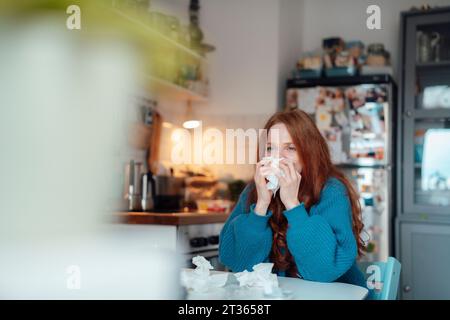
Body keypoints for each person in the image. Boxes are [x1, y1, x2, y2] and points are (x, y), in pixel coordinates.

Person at [219, 109, 366, 287]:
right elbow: (240, 265)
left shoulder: (332, 191)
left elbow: (324, 270)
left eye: (290, 148)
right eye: (270, 148)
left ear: (309, 153)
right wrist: (261, 206)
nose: (278, 157)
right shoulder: (255, 190)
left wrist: (293, 205)